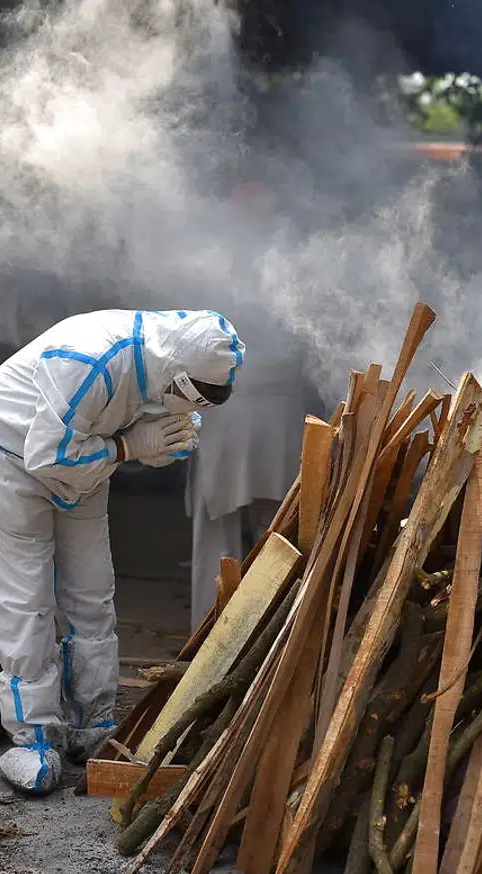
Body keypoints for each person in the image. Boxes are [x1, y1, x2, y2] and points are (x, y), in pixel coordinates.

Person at [0, 309, 245, 794]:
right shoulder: (87, 361)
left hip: (83, 459)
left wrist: (160, 436)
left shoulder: (160, 361)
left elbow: (136, 412)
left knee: (92, 590)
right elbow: (46, 456)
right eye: (197, 394)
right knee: (25, 600)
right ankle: (34, 736)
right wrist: (128, 449)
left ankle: (93, 722)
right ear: (175, 369)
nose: (198, 403)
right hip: (6, 457)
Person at [188, 182, 322, 629]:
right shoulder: (212, 262)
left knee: (274, 527)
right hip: (232, 407)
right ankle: (220, 631)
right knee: (244, 528)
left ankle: (258, 631)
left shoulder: (290, 264)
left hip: (265, 407)